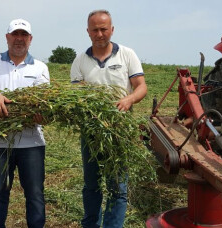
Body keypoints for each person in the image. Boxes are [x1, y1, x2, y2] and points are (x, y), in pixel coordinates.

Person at [70, 10, 147, 228]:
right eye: (95, 29)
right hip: (91, 131)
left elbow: (141, 86)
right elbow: (76, 95)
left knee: (117, 187)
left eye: (104, 29)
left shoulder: (127, 54)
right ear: (88, 32)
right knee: (91, 184)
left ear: (112, 29)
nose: (100, 34)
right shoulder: (80, 60)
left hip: (120, 131)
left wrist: (129, 100)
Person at [0, 18, 50, 228]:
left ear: (30, 39)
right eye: (15, 35)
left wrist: (40, 114)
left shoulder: (40, 67)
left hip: (32, 143)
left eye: (23, 35)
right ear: (7, 38)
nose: (19, 39)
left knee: (35, 194)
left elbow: (43, 100)